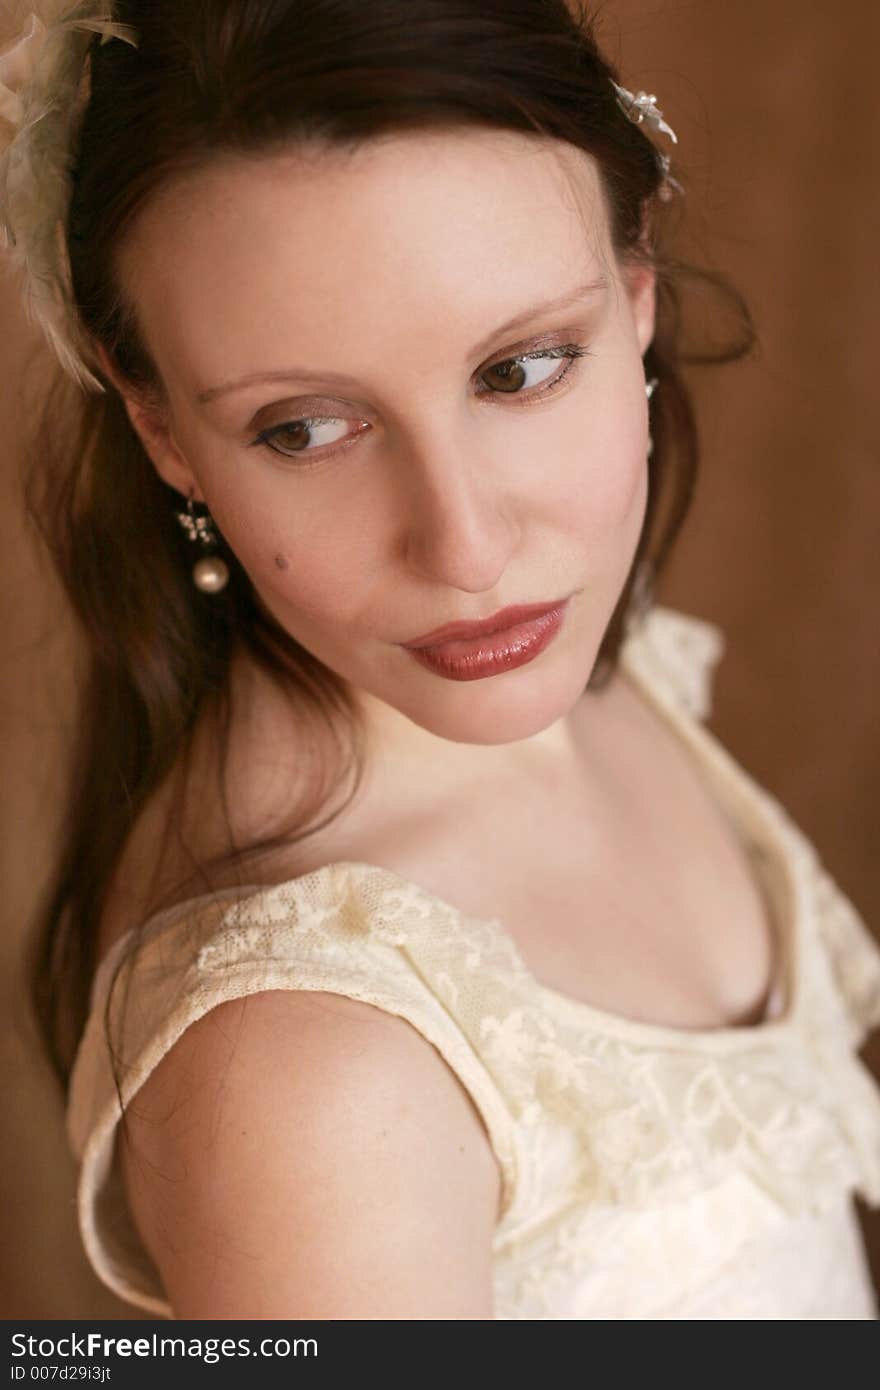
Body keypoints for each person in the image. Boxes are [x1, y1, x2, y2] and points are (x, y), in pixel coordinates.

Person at [4, 0, 880, 1321]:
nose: (466, 549)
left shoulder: (578, 670)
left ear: (635, 300)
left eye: (521, 368)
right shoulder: (309, 1071)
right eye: (304, 429)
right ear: (165, 433)